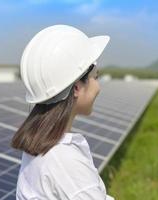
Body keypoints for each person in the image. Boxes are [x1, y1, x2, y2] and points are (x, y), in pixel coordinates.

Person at [11, 24, 114, 200]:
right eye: (95, 77)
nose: (98, 87)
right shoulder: (64, 162)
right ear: (76, 88)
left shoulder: (39, 145)